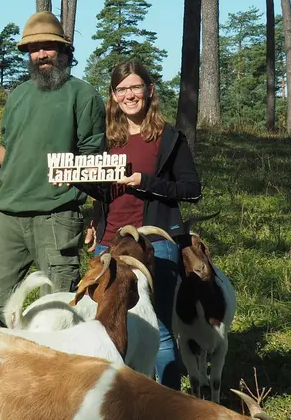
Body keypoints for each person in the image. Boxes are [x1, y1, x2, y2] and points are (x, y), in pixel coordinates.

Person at [0, 10, 106, 328]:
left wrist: (93, 211)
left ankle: (60, 376)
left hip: (56, 216)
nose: (41, 54)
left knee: (61, 309)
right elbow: (11, 153)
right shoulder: (18, 96)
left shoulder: (84, 95)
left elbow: (94, 160)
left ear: (64, 50)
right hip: (7, 216)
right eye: (34, 49)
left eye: (48, 46)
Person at [74, 59, 201, 390]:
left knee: (156, 327)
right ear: (114, 96)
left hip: (155, 243)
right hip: (109, 244)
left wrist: (146, 181)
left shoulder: (171, 138)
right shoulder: (106, 139)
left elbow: (192, 189)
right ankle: (113, 396)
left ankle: (169, 403)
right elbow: (105, 191)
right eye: (122, 89)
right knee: (102, 322)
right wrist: (80, 186)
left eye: (135, 87)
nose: (129, 95)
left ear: (149, 90)